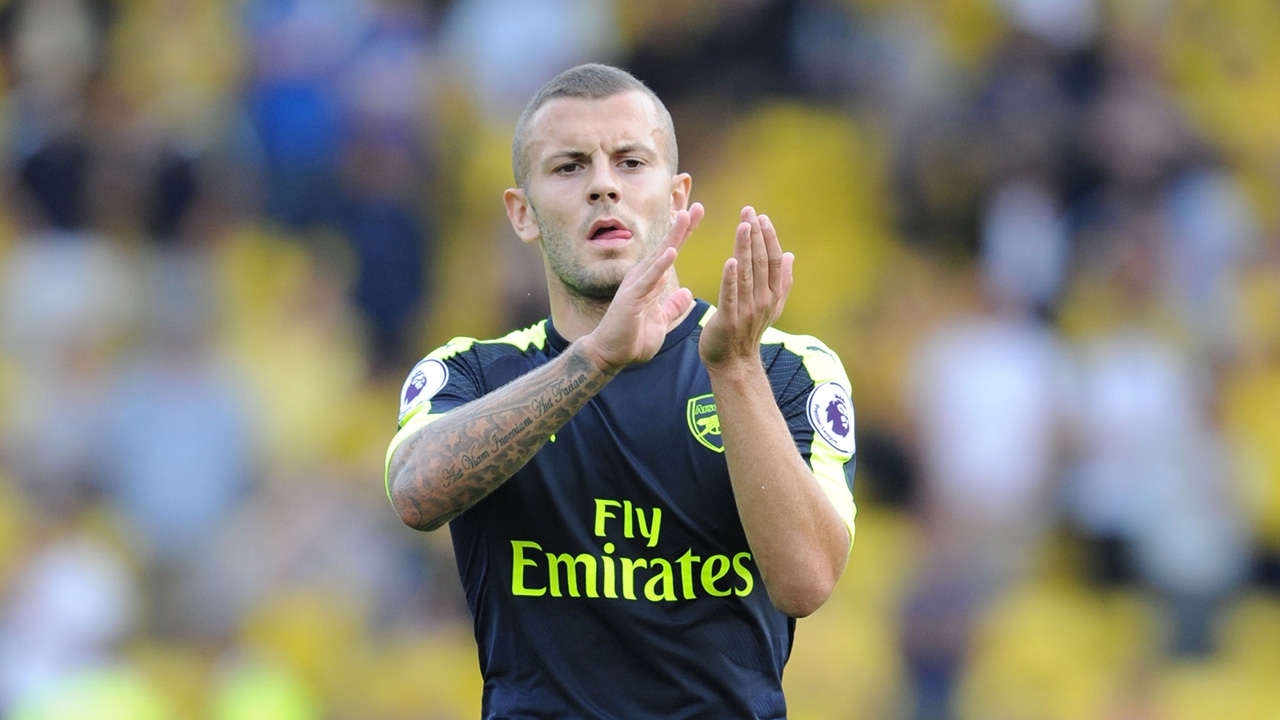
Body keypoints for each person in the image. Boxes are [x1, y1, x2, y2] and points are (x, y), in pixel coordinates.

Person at [383, 63, 857, 718]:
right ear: (522, 213)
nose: (603, 185)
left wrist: (734, 370)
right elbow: (415, 494)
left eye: (631, 163)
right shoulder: (472, 373)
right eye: (569, 167)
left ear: (677, 195)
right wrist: (595, 360)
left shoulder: (783, 368)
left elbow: (805, 584)